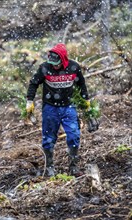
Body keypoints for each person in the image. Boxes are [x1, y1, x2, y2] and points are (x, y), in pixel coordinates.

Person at [26, 43, 91, 177]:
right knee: (49, 138)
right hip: (50, 107)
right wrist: (29, 101)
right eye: (52, 63)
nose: (54, 66)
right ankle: (49, 167)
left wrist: (86, 100)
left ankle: (73, 167)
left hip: (69, 106)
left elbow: (81, 84)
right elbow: (33, 83)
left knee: (73, 135)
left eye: (57, 63)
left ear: (64, 59)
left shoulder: (73, 67)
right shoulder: (44, 68)